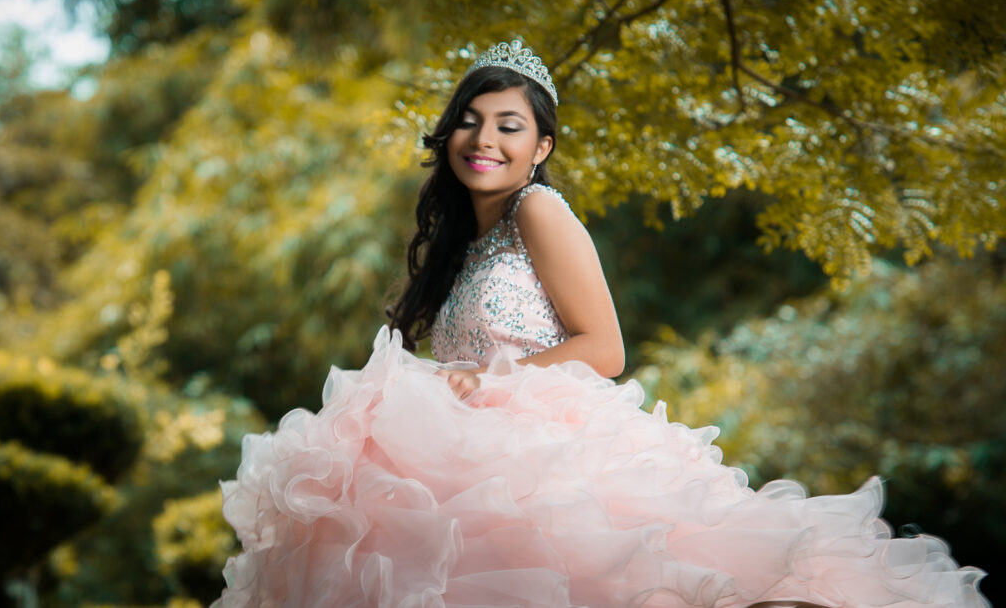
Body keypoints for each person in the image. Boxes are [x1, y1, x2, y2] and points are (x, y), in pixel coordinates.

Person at [212, 40, 989, 607]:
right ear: (449, 135)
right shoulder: (462, 248)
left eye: (509, 125)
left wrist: (482, 382)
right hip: (469, 452)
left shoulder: (538, 211)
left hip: (544, 448)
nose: (485, 138)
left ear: (540, 145)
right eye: (471, 120)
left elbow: (605, 349)